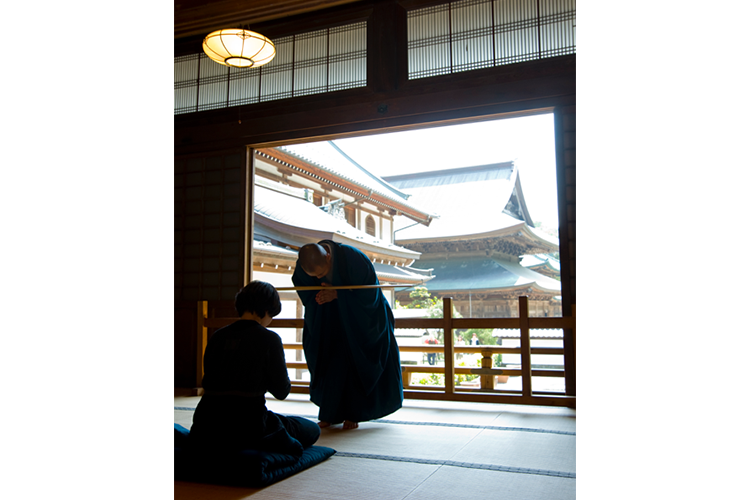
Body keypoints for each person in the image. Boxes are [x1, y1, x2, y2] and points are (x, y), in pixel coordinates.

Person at [189, 281, 321, 453]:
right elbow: (282, 391)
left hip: (206, 424)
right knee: (311, 429)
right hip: (249, 425)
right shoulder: (269, 339)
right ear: (267, 310)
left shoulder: (217, 336)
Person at [292, 241, 403, 430]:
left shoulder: (354, 259)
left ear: (328, 256)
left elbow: (370, 296)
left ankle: (355, 413)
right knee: (328, 361)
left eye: (321, 273)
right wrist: (319, 295)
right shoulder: (305, 264)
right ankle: (329, 413)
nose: (320, 277)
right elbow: (305, 290)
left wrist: (338, 295)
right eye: (316, 276)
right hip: (328, 320)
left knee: (356, 362)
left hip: (360, 321)